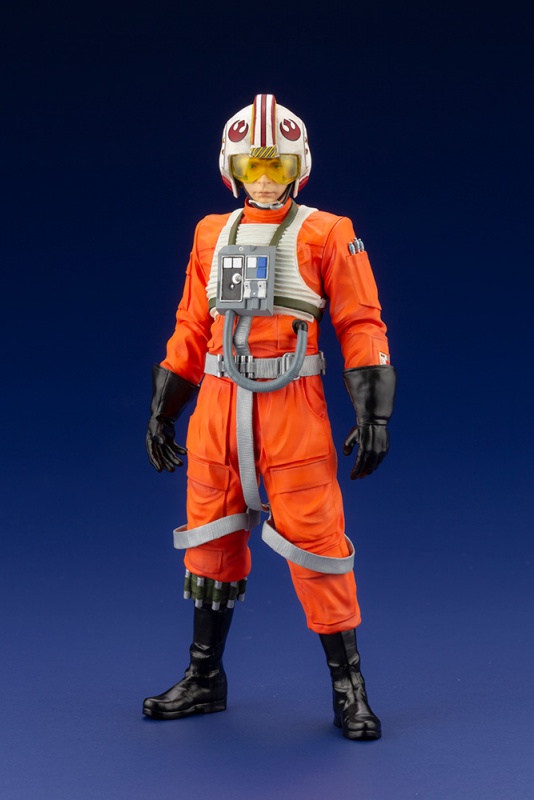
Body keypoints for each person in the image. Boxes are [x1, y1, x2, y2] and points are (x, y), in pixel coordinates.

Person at [143, 94, 397, 741]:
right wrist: (164, 407)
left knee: (319, 547)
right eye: (252, 165)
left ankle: (349, 689)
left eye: (276, 166)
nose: (263, 179)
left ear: (298, 168)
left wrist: (374, 410)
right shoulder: (211, 234)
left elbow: (360, 322)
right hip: (218, 410)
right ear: (231, 168)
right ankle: (204, 675)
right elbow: (191, 326)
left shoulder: (327, 233)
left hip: (293, 412)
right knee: (208, 543)